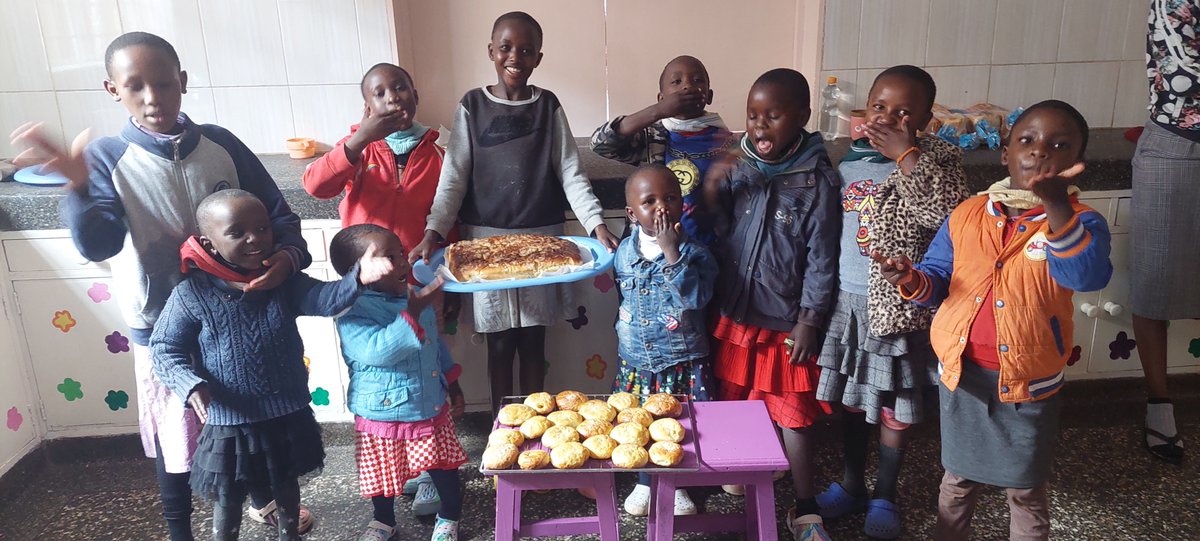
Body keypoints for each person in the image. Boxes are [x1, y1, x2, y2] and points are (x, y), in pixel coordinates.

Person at [8, 32, 314, 540]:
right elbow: (99, 244)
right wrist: (79, 189)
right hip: (161, 330)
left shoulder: (222, 145)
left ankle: (261, 499)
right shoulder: (108, 157)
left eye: (165, 84)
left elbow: (279, 216)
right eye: (136, 86)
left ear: (183, 82)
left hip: (238, 319)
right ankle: (179, 530)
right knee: (179, 440)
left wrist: (286, 258)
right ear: (113, 90)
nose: (153, 98)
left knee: (248, 421)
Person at [875, 101, 1112, 540]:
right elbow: (940, 280)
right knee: (957, 481)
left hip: (1028, 382)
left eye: (1059, 145)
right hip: (963, 375)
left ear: (1077, 163)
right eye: (1027, 140)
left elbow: (1086, 276)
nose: (1040, 151)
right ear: (1006, 153)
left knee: (1025, 489)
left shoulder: (1081, 222)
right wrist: (911, 279)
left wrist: (1056, 205)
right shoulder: (967, 214)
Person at [150, 190, 394, 540]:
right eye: (238, 232)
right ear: (209, 243)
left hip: (285, 409)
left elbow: (324, 300)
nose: (255, 239)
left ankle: (289, 534)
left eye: (263, 228)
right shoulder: (192, 293)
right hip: (231, 418)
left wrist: (356, 278)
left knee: (286, 481)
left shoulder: (282, 281)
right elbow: (164, 348)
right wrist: (190, 385)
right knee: (229, 495)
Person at [409, 11, 620, 414]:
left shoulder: (548, 106)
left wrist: (595, 224)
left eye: (526, 50)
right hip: (483, 247)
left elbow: (570, 171)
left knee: (534, 342)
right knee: (500, 344)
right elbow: (453, 178)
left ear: (538, 57)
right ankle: (502, 429)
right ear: (491, 51)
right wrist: (433, 233)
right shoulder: (472, 105)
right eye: (506, 47)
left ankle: (534, 427)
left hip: (545, 245)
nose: (515, 57)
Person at [813, 65, 968, 539]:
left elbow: (946, 215)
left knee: (893, 407)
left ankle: (885, 493)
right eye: (880, 106)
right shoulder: (849, 162)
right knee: (853, 402)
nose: (888, 118)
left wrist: (906, 157)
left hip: (900, 308)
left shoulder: (937, 163)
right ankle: (852, 484)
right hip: (849, 300)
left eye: (904, 112)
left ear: (923, 120)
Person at [302, 61, 454, 514]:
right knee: (379, 372)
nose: (393, 98)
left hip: (419, 279)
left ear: (415, 96)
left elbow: (449, 213)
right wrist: (359, 139)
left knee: (427, 364)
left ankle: (427, 471)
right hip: (365, 287)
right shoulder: (358, 149)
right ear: (366, 106)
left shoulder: (437, 152)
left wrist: (442, 259)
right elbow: (315, 186)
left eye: (400, 88)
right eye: (380, 93)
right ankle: (395, 467)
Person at [703, 68, 840, 541]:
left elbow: (822, 259)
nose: (760, 125)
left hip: (785, 320)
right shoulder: (737, 163)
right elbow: (718, 229)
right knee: (734, 400)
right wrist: (711, 187)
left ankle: (805, 506)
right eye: (753, 115)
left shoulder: (818, 180)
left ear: (802, 117)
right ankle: (744, 470)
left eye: (773, 115)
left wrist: (810, 321)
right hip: (737, 312)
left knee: (792, 414)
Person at [330, 224, 467, 541]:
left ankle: (449, 516)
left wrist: (453, 383)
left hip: (428, 405)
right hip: (380, 412)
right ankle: (383, 520)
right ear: (358, 272)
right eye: (390, 258)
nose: (404, 263)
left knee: (443, 467)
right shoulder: (351, 309)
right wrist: (412, 317)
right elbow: (377, 351)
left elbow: (434, 345)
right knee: (382, 473)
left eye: (401, 253)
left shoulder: (412, 298)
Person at [611, 165, 718, 517]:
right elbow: (622, 298)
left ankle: (678, 483)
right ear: (632, 213)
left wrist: (672, 254)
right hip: (637, 361)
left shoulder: (696, 253)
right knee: (638, 423)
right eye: (649, 201)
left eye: (670, 198)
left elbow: (696, 298)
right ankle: (645, 481)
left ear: (682, 204)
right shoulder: (624, 252)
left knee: (679, 423)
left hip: (681, 360)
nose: (661, 207)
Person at [1130, 0, 1200, 465]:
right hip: (1176, 147)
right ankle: (1160, 404)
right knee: (1154, 284)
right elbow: (1182, 74)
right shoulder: (1175, 2)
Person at [590, 55, 732, 244]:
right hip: (653, 248)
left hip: (709, 248)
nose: (687, 86)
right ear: (661, 98)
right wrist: (657, 111)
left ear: (709, 95)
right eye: (677, 81)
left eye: (697, 80)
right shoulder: (651, 137)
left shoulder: (725, 141)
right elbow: (600, 144)